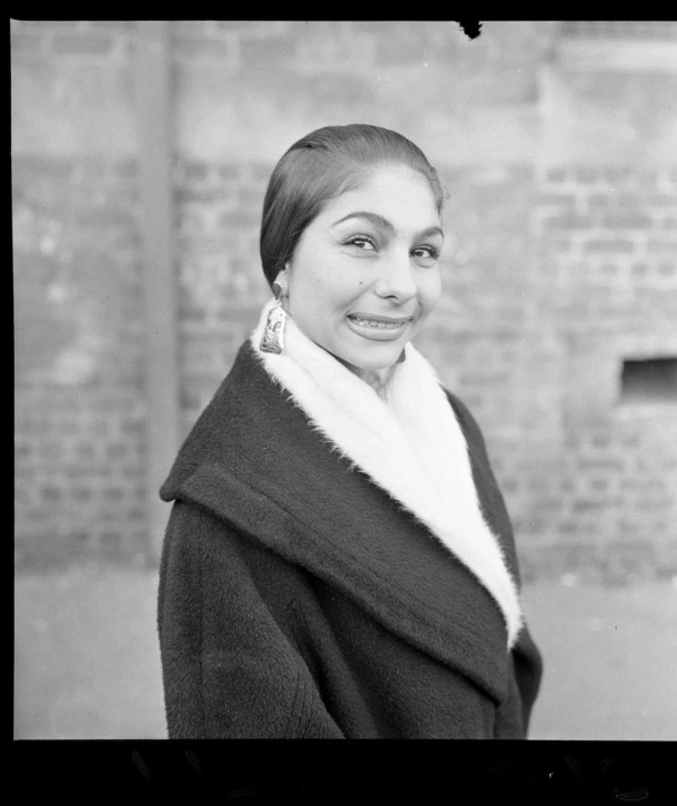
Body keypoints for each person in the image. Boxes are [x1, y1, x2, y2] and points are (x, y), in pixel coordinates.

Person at [157, 123, 543, 739]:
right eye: (362, 242)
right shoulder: (227, 513)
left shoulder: (451, 422)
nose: (401, 286)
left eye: (423, 251)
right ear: (281, 261)